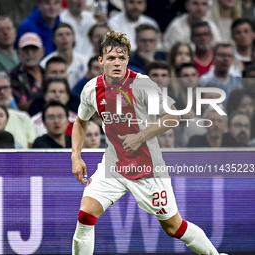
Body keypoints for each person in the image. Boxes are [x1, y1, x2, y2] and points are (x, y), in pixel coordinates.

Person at [71, 30, 220, 254]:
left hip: (147, 169)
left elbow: (174, 116)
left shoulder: (142, 85)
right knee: (85, 215)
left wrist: (140, 136)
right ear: (101, 60)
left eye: (122, 58)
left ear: (128, 60)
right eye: (111, 58)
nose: (117, 63)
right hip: (113, 165)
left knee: (174, 227)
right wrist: (76, 155)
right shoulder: (91, 89)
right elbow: (80, 121)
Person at [0, 71, 36, 148]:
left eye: (5, 88)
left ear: (11, 90)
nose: (2, 92)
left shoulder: (23, 117)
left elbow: (32, 147)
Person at [40, 22, 88, 88]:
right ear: (53, 40)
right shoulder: (44, 64)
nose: (64, 38)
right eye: (60, 35)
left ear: (73, 38)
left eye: (68, 34)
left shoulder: (86, 61)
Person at [8, 32, 45, 111]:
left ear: (42, 52)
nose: (30, 53)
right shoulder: (12, 76)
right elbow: (20, 105)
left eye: (34, 49)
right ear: (18, 53)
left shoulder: (48, 73)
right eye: (25, 50)